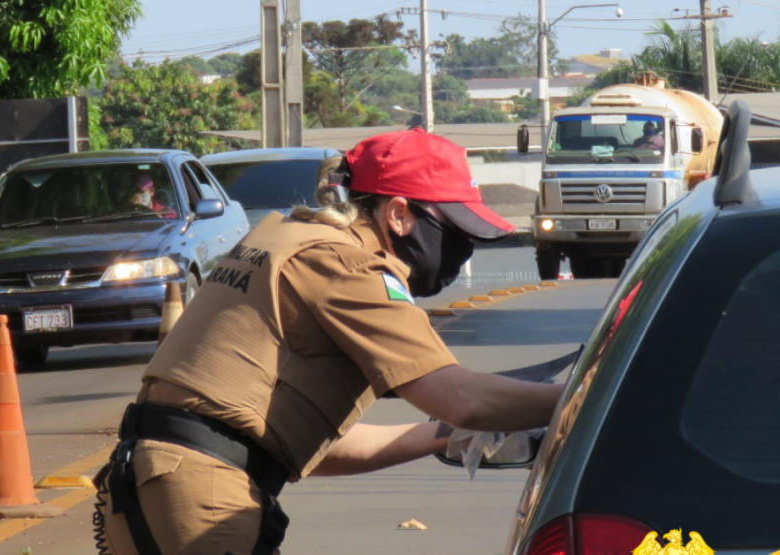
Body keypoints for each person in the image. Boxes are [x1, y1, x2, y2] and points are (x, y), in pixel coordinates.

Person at [93, 128, 565, 555]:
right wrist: (589, 398)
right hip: (200, 495)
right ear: (398, 214)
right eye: (456, 232)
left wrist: (441, 437)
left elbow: (294, 443)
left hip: (152, 485)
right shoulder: (349, 266)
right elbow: (462, 399)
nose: (464, 252)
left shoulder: (293, 236)